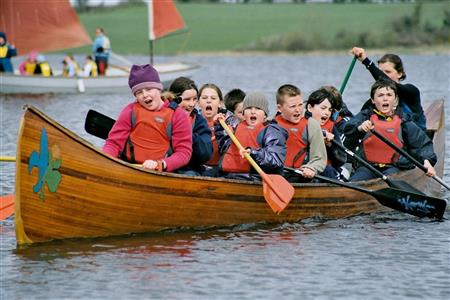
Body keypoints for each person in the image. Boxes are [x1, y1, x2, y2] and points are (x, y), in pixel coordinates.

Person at [103, 64, 192, 172]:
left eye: (149, 89)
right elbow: (113, 143)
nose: (145, 95)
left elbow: (184, 153)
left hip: (160, 170)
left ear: (159, 89)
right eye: (139, 92)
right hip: (129, 167)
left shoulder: (178, 115)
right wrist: (105, 161)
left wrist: (160, 164)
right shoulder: (130, 111)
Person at [344, 79, 436, 181]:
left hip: (394, 167)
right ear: (373, 100)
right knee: (354, 181)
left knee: (391, 180)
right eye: (380, 95)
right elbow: (348, 129)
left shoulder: (404, 121)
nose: (385, 99)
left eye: (389, 95)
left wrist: (427, 161)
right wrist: (360, 128)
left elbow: (421, 143)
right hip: (368, 167)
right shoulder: (365, 116)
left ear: (395, 99)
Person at [216, 92, 287, 181]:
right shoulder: (237, 127)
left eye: (258, 108)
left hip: (255, 178)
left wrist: (254, 153)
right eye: (249, 108)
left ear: (265, 115)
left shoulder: (271, 131)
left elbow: (275, 160)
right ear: (243, 113)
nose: (253, 111)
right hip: (228, 176)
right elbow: (224, 148)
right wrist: (220, 127)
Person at [351, 47, 427, 131]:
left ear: (400, 74)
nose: (383, 75)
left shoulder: (411, 92)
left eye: (387, 72)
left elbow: (386, 81)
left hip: (415, 138)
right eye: (380, 72)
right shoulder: (373, 102)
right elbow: (356, 122)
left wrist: (366, 61)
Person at [273, 84, 327, 183]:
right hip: (274, 176)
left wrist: (311, 168)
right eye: (293, 106)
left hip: (300, 177)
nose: (298, 110)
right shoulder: (270, 124)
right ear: (279, 108)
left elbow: (319, 158)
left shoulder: (311, 125)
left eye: (300, 105)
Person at [168, 77, 212, 175]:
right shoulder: (163, 115)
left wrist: (188, 135)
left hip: (188, 169)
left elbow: (206, 154)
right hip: (161, 164)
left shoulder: (199, 121)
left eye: (195, 99)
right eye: (187, 99)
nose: (191, 104)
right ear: (175, 99)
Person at [305, 87, 347, 180]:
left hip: (326, 171)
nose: (327, 113)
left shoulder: (331, 128)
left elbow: (341, 160)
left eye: (329, 109)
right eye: (323, 108)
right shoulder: (301, 124)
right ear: (309, 108)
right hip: (302, 169)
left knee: (327, 169)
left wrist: (330, 145)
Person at [197, 83, 225, 176]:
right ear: (198, 102)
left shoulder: (227, 123)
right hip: (197, 166)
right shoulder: (193, 122)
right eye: (204, 98)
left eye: (213, 98)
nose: (208, 101)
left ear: (220, 103)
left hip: (219, 168)